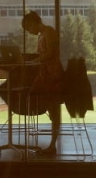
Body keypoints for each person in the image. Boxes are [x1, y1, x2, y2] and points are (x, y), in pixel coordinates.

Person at [21, 11, 64, 156]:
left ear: (34, 23)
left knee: (53, 108)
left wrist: (35, 61)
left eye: (29, 28)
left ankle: (52, 145)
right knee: (40, 101)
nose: (29, 32)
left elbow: (51, 53)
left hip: (52, 75)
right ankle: (50, 144)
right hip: (46, 74)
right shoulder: (42, 34)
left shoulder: (49, 32)